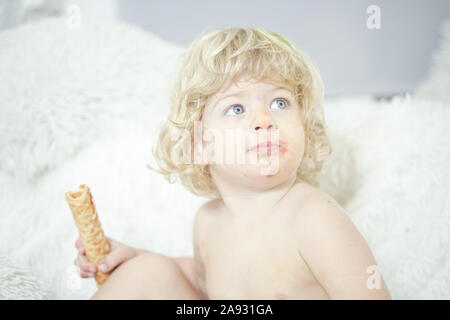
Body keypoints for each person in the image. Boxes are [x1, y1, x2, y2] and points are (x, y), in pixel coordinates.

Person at [75, 27, 391, 299]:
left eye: (280, 102)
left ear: (305, 126)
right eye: (236, 109)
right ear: (198, 145)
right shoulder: (208, 222)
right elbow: (203, 284)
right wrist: (133, 257)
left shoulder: (315, 219)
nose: (264, 119)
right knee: (147, 271)